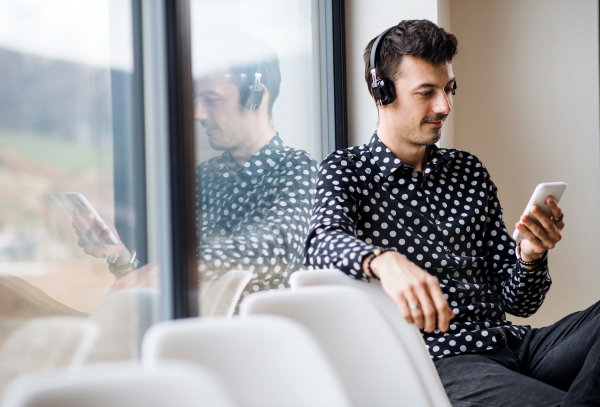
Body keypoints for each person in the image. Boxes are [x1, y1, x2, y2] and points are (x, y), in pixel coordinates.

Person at [304, 19, 599, 406]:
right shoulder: (348, 170)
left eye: (448, 89)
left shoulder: (468, 170)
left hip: (513, 344)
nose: (444, 106)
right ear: (382, 92)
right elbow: (319, 243)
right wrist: (384, 261)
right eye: (426, 92)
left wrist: (529, 256)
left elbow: (520, 303)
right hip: (440, 360)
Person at [76, 33, 318, 308]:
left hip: (254, 342)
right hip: (188, 333)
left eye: (211, 99)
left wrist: (185, 266)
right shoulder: (203, 177)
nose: (196, 113)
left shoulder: (298, 168)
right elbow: (163, 286)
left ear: (255, 97)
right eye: (195, 98)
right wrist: (121, 258)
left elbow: (276, 244)